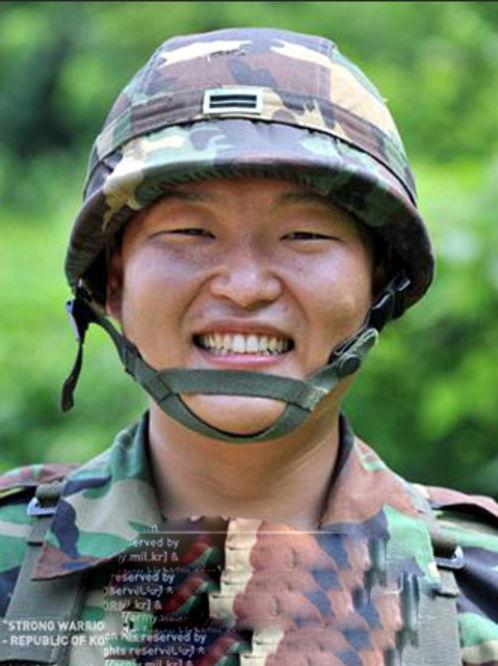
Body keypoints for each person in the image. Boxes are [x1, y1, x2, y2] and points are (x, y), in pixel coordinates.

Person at [0, 27, 497, 666]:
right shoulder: (12, 564)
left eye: (304, 235)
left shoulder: (480, 587)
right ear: (112, 282)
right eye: (190, 231)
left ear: (380, 283)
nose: (244, 287)